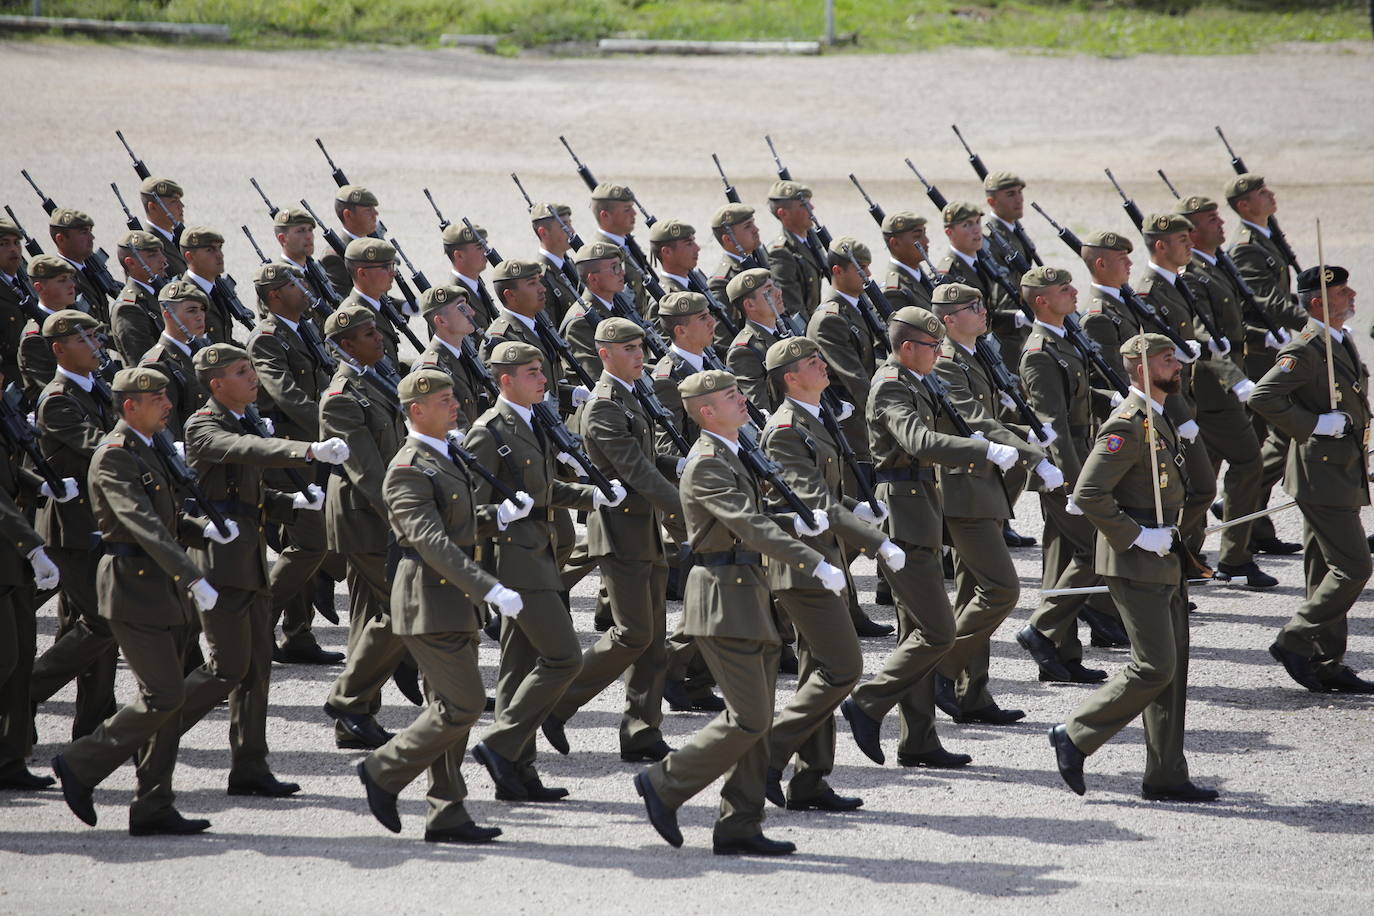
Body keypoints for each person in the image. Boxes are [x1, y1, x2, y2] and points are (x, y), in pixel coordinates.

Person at [633, 368, 838, 857]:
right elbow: (745, 523)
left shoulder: (734, 452)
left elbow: (760, 517)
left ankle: (740, 823)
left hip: (748, 595)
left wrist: (803, 518)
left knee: (758, 718)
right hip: (723, 599)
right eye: (731, 396)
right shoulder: (705, 462)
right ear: (707, 411)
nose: (742, 400)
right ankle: (665, 782)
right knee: (747, 716)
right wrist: (811, 558)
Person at [51, 367, 226, 836]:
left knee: (166, 702)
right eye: (158, 398)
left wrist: (200, 529)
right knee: (165, 694)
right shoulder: (113, 456)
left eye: (167, 395)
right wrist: (191, 575)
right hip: (133, 587)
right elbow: (139, 523)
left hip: (161, 588)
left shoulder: (152, 448)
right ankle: (80, 763)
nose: (168, 403)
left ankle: (153, 803)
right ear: (131, 406)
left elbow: (165, 518)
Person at [356, 368, 527, 844]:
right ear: (416, 410)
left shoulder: (445, 454)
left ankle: (447, 811)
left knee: (446, 707)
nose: (456, 406)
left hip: (452, 601)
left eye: (454, 398)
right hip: (428, 599)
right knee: (464, 704)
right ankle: (383, 769)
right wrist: (488, 587)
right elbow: (431, 542)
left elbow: (457, 522)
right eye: (445, 400)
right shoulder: (408, 468)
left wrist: (496, 516)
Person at [1049, 333, 1217, 803]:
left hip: (1166, 559)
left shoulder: (1162, 418)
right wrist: (1138, 535)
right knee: (1153, 667)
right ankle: (1075, 735)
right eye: (1168, 360)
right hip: (1135, 561)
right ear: (1141, 367)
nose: (1178, 365)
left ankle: (1166, 773)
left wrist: (1182, 535)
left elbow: (1196, 488)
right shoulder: (1126, 424)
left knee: (1173, 670)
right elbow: (1087, 494)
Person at [178, 342, 348, 797]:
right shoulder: (204, 427)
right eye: (241, 371)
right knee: (225, 669)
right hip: (219, 563)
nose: (253, 376)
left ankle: (249, 766)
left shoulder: (242, 417)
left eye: (252, 367)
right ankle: (146, 732)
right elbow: (248, 450)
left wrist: (289, 502)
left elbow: (245, 496)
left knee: (255, 671)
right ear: (217, 385)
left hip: (248, 560)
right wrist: (308, 450)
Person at [838, 307, 1003, 770]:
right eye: (932, 346)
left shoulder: (916, 380)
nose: (939, 353)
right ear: (908, 347)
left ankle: (919, 739)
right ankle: (868, 701)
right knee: (938, 630)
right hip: (905, 504)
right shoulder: (892, 384)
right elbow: (920, 441)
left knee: (915, 631)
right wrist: (983, 448)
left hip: (921, 501)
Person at [464, 341, 624, 803]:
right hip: (515, 562)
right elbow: (468, 511)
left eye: (542, 371)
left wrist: (589, 496)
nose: (543, 379)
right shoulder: (489, 431)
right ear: (506, 379)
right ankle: (500, 744)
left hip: (540, 554)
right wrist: (501, 514)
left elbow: (541, 488)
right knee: (564, 658)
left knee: (518, 670)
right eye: (533, 372)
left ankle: (517, 771)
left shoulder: (532, 420)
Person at [761, 337, 902, 811]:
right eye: (811, 362)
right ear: (790, 377)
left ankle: (810, 780)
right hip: (802, 565)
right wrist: (874, 538)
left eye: (822, 358)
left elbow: (825, 494)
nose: (823, 366)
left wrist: (855, 506)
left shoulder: (816, 417)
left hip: (824, 561)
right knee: (844, 668)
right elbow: (813, 501)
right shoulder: (785, 428)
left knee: (818, 673)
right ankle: (768, 752)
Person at [543, 318, 683, 762]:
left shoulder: (628, 394)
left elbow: (644, 456)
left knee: (653, 639)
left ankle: (642, 730)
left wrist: (680, 465)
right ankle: (554, 704)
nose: (640, 354)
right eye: (629, 348)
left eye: (641, 346)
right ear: (604, 354)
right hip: (620, 531)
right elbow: (633, 469)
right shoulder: (603, 405)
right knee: (631, 634)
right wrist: (685, 507)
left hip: (645, 531)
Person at [929, 282, 1051, 722]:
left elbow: (993, 414)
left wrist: (1026, 433)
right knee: (999, 591)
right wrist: (1030, 451)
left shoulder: (977, 352)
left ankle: (971, 695)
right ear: (948, 319)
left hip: (986, 486)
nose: (983, 312)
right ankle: (936, 669)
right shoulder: (945, 361)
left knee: (971, 596)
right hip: (963, 488)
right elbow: (972, 419)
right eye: (972, 307)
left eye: (981, 305)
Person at [1250, 266, 1373, 694]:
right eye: (1342, 291)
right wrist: (1315, 423)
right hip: (1321, 474)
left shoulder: (1338, 339)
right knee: (1355, 566)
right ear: (1319, 302)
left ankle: (1327, 661)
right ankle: (1295, 639)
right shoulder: (1305, 348)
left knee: (1325, 570)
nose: (1352, 294)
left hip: (1339, 470)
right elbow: (1264, 396)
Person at [1017, 267, 1118, 683]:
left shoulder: (1063, 338)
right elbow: (1051, 422)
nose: (1075, 291)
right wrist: (1073, 481)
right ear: (1041, 300)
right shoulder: (1040, 352)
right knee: (1099, 548)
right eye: (1064, 289)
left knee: (1061, 559)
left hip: (1076, 456)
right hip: (1064, 467)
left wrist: (1108, 398)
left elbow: (1072, 395)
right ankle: (1040, 630)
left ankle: (1060, 655)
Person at [1174, 194, 1276, 587]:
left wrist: (1266, 336)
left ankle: (1191, 554)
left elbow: (1232, 329)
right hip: (1215, 388)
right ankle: (1234, 555)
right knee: (1248, 462)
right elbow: (1203, 337)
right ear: (1192, 231)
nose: (1221, 224)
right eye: (1211, 220)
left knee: (1204, 477)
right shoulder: (1192, 276)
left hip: (1227, 381)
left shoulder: (1217, 264)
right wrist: (1236, 381)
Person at [246, 262, 345, 665]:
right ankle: (257, 621)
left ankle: (298, 633)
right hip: (290, 453)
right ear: (273, 296)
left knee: (303, 543)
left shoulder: (304, 328)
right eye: (294, 284)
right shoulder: (267, 339)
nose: (305, 288)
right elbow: (285, 394)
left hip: (314, 450)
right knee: (309, 543)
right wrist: (333, 427)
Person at [319, 305, 408, 750]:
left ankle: (355, 716)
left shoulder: (378, 377)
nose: (380, 338)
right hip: (366, 514)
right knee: (403, 609)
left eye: (377, 330)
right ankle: (348, 701)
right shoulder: (342, 396)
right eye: (368, 333)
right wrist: (406, 515)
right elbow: (367, 472)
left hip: (378, 511)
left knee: (366, 616)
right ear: (344, 345)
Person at [27, 311, 118, 740]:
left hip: (96, 524)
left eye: (98, 338)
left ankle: (94, 723)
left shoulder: (95, 387)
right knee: (103, 623)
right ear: (59, 349)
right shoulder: (58, 399)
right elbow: (98, 445)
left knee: (86, 629)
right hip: (71, 530)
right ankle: (21, 695)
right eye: (87, 340)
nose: (97, 346)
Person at [0, 411, 66, 790]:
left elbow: (8, 476)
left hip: (11, 559)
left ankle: (9, 759)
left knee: (21, 658)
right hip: (11, 550)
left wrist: (42, 486)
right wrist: (32, 547)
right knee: (5, 659)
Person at [139, 279, 209, 439]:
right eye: (192, 310)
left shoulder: (201, 351)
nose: (200, 316)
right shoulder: (157, 364)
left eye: (202, 310)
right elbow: (167, 427)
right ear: (167, 314)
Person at [413, 285, 486, 427]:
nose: (471, 312)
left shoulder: (465, 356)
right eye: (462, 308)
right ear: (441, 321)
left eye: (468, 306)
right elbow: (453, 428)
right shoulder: (431, 370)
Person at [765, 181, 823, 321]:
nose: (811, 207)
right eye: (804, 205)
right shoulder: (781, 254)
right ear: (783, 213)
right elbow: (794, 308)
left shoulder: (809, 242)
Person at [109, 230, 168, 366]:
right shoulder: (129, 308)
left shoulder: (158, 291)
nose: (163, 260)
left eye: (161, 253)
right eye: (153, 255)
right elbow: (143, 363)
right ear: (131, 263)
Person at [881, 211, 935, 312]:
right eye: (917, 236)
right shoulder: (895, 292)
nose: (926, 241)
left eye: (925, 233)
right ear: (895, 243)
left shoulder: (921, 277)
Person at [138, 177, 188, 279]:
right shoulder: (147, 249)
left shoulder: (179, 236)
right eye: (174, 201)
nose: (181, 206)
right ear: (152, 207)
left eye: (180, 200)